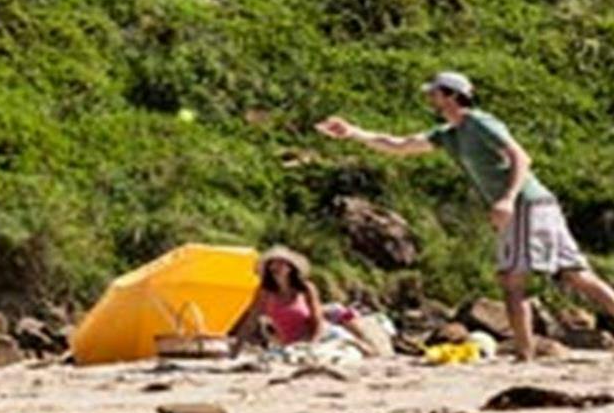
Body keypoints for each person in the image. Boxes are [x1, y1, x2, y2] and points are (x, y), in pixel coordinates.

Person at [318, 70, 614, 362]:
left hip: (526, 204)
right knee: (576, 275)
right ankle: (526, 352)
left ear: (452, 95)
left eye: (435, 92)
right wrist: (354, 133)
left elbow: (521, 157)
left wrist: (507, 200)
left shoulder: (479, 122)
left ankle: (525, 354)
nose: (431, 97)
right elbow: (400, 146)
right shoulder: (450, 135)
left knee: (513, 279)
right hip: (536, 206)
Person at [230, 246, 325, 350]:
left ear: (290, 268)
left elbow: (318, 319)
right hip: (287, 345)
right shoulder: (265, 292)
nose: (276, 267)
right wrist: (238, 344)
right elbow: (252, 318)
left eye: (281, 263)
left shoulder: (306, 289)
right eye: (273, 263)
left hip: (315, 340)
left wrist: (312, 344)